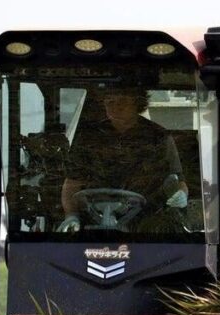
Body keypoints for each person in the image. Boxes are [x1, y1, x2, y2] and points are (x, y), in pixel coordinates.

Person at [57, 86, 191, 233]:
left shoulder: (158, 137)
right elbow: (72, 183)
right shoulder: (88, 138)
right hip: (93, 216)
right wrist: (71, 215)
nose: (116, 107)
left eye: (123, 102)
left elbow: (178, 181)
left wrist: (181, 195)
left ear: (138, 103)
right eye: (110, 102)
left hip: (147, 223)